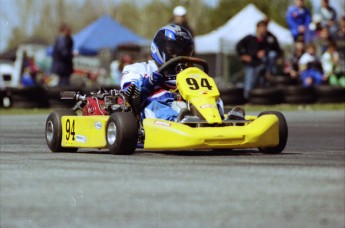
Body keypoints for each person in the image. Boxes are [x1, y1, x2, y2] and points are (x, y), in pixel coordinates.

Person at [120, 24, 235, 122]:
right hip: (153, 113)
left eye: (184, 52)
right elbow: (129, 96)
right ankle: (180, 120)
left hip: (188, 108)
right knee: (155, 106)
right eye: (173, 51)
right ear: (159, 47)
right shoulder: (139, 69)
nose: (179, 56)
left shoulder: (188, 72)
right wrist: (149, 82)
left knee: (214, 99)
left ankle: (219, 118)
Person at [236, 20, 268, 99]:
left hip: (259, 63)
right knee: (249, 81)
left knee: (259, 81)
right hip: (250, 64)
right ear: (258, 28)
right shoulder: (250, 37)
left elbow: (268, 49)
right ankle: (247, 98)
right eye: (262, 27)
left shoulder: (264, 40)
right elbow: (238, 45)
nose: (264, 30)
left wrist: (264, 52)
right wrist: (242, 56)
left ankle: (258, 98)